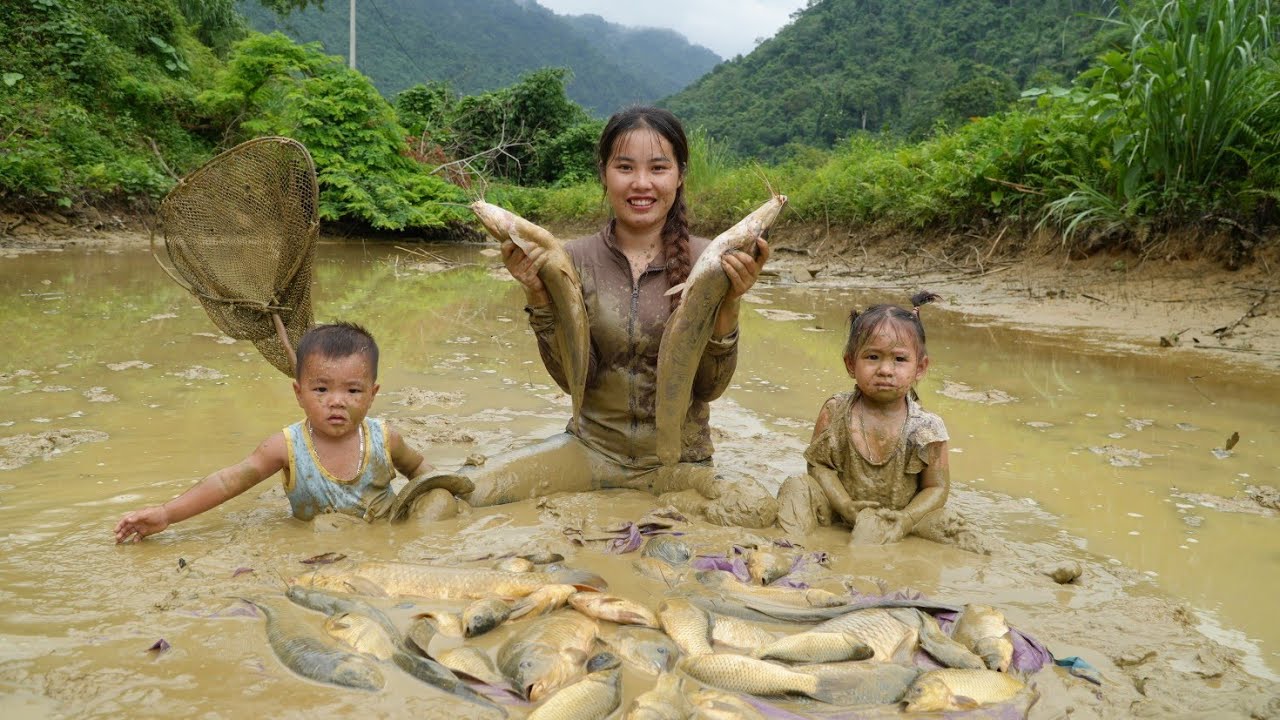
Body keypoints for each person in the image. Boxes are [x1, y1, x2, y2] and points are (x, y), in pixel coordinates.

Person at [400, 106, 777, 528]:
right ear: (604, 173)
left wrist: (730, 301)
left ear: (680, 175)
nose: (641, 183)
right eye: (625, 167)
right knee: (453, 496)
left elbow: (710, 388)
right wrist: (538, 295)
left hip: (678, 464)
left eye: (658, 168)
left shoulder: (712, 259)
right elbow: (572, 381)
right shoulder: (573, 259)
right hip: (589, 452)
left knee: (755, 508)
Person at [113, 322, 467, 542]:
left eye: (353, 390)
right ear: (299, 393)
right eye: (321, 389)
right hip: (318, 551)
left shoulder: (385, 439)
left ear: (372, 395)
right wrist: (166, 514)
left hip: (382, 542)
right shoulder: (285, 447)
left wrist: (450, 511)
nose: (336, 402)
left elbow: (421, 472)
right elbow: (227, 482)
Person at [776, 292, 966, 546]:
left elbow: (937, 488)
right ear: (850, 364)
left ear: (920, 368)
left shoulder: (928, 429)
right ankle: (790, 548)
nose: (885, 370)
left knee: (951, 525)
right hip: (837, 513)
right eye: (872, 357)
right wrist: (844, 504)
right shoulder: (835, 411)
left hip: (898, 521)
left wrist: (906, 520)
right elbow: (819, 467)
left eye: (899, 359)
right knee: (797, 486)